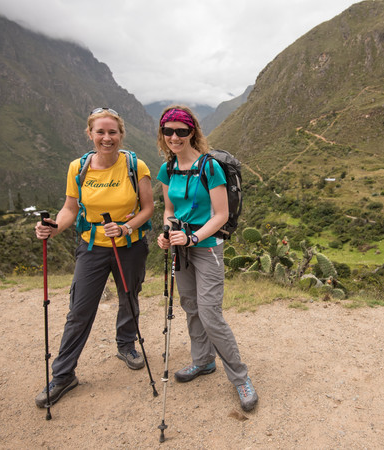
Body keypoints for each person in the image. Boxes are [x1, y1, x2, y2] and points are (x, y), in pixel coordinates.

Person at [33, 107, 154, 408]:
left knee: (129, 297)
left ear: (120, 134)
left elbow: (148, 209)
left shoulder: (136, 166)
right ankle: (63, 375)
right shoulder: (79, 167)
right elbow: (70, 209)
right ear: (90, 134)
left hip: (130, 245)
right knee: (79, 310)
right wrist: (54, 227)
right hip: (92, 247)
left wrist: (125, 227)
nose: (106, 137)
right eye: (100, 132)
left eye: (112, 132)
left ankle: (126, 345)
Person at [155, 106, 258, 412]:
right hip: (180, 247)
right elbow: (170, 210)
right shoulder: (167, 170)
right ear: (162, 134)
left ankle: (240, 377)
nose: (175, 137)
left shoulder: (208, 167)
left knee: (210, 312)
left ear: (192, 133)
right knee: (190, 306)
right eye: (168, 131)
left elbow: (222, 214)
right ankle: (203, 362)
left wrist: (194, 237)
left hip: (207, 247)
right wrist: (167, 231)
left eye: (181, 131)